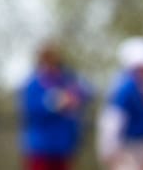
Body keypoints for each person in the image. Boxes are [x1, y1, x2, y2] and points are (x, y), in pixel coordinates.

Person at [19, 42, 90, 170]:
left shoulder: (67, 79)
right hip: (41, 147)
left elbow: (86, 91)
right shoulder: (34, 83)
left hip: (64, 145)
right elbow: (32, 110)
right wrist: (55, 102)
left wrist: (74, 98)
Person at [102, 39, 143, 170]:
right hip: (128, 147)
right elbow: (114, 119)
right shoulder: (126, 87)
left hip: (139, 145)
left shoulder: (140, 87)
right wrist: (110, 148)